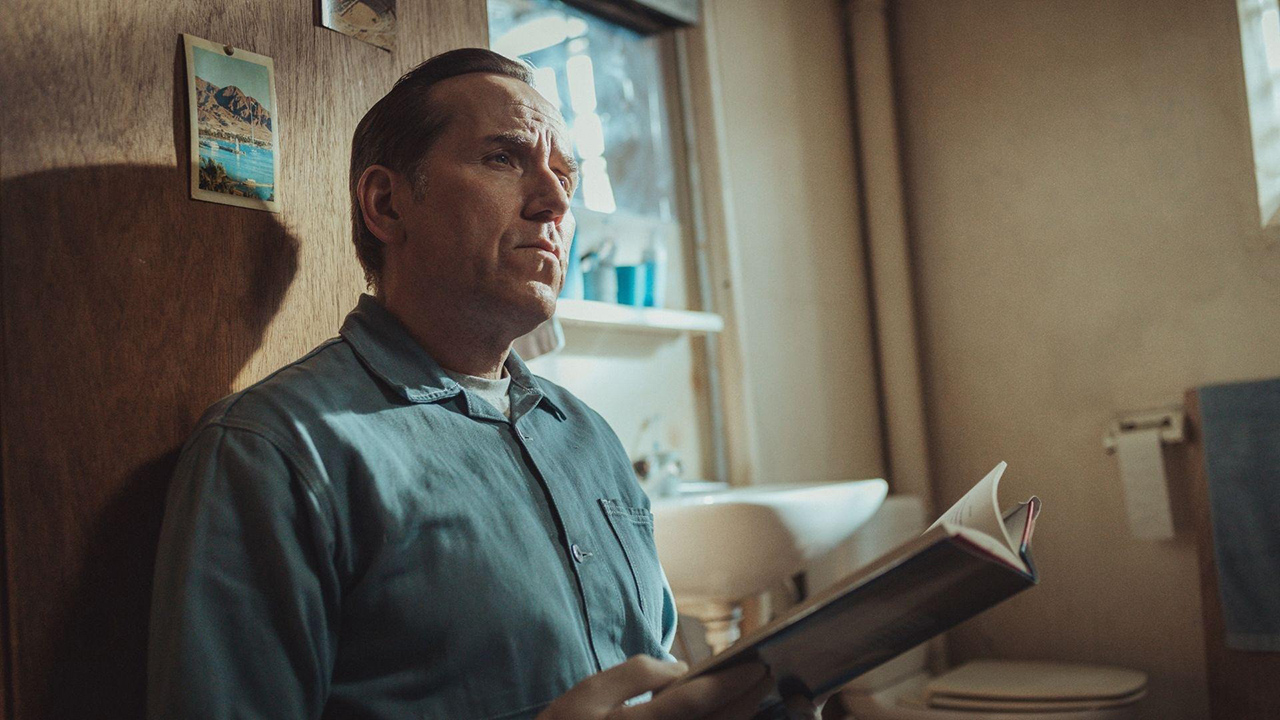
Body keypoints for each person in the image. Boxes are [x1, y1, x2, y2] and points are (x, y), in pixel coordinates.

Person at [148, 48, 819, 719]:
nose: (555, 200)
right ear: (387, 205)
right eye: (504, 158)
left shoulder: (588, 438)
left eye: (564, 174)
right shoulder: (274, 451)